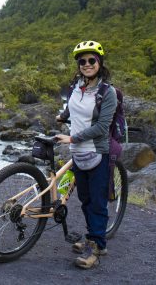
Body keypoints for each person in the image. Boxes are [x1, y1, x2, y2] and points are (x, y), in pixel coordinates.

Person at [55, 40, 117, 269]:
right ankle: (95, 239)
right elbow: (72, 105)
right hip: (78, 153)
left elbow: (102, 127)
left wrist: (72, 137)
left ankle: (96, 247)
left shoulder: (106, 93)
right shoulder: (76, 86)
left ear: (100, 63)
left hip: (97, 153)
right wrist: (63, 116)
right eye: (82, 61)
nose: (87, 64)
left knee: (98, 203)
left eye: (92, 60)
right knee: (86, 200)